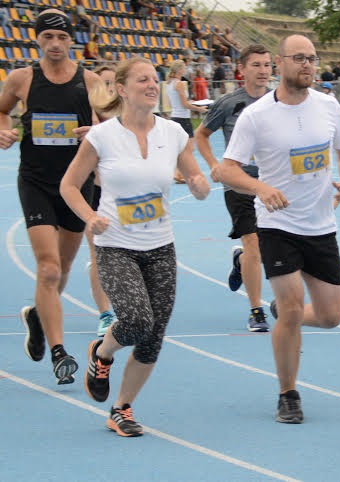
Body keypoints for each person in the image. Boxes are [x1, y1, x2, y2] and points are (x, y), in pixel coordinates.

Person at [60, 56, 210, 436]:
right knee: (137, 320)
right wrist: (89, 217)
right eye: (142, 79)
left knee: (153, 336)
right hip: (115, 245)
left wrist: (198, 185)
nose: (151, 85)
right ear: (122, 89)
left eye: (154, 79)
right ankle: (102, 353)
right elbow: (69, 186)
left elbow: (194, 175)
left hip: (160, 246)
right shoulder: (102, 137)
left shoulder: (173, 133)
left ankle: (122, 408)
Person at [211, 34, 340, 424]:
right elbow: (226, 169)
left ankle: (281, 312)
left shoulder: (328, 106)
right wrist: (261, 188)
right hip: (277, 223)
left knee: (331, 316)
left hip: (321, 224)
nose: (307, 65)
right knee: (292, 309)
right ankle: (288, 393)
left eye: (312, 58)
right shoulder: (256, 115)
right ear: (280, 62)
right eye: (299, 58)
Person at [0, 9, 102, 384]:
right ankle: (60, 353)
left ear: (71, 40)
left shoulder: (90, 81)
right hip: (36, 182)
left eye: (62, 37)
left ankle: (38, 317)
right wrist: (4, 130)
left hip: (75, 185)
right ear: (37, 39)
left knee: (63, 267)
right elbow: (1, 112)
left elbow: (116, 123)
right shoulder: (22, 78)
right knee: (49, 268)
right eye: (48, 37)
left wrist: (96, 132)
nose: (55, 44)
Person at [194, 44, 273, 333]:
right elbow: (201, 134)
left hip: (271, 184)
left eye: (267, 65)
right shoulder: (230, 103)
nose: (263, 70)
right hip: (238, 183)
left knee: (268, 247)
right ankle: (256, 311)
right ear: (242, 69)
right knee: (253, 243)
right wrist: (215, 164)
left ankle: (240, 261)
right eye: (256, 65)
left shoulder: (278, 102)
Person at [88, 65, 117, 337]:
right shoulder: (86, 121)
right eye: (104, 83)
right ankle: (105, 314)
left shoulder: (128, 119)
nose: (109, 89)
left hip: (123, 197)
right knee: (98, 254)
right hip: (94, 194)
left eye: (113, 83)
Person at [165, 59, 207, 183]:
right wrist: (200, 109)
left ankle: (178, 173)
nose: (185, 70)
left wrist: (192, 103)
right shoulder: (179, 84)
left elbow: (174, 103)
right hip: (183, 118)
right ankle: (180, 173)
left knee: (181, 148)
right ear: (179, 70)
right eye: (184, 68)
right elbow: (184, 104)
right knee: (189, 148)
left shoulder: (169, 84)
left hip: (175, 117)